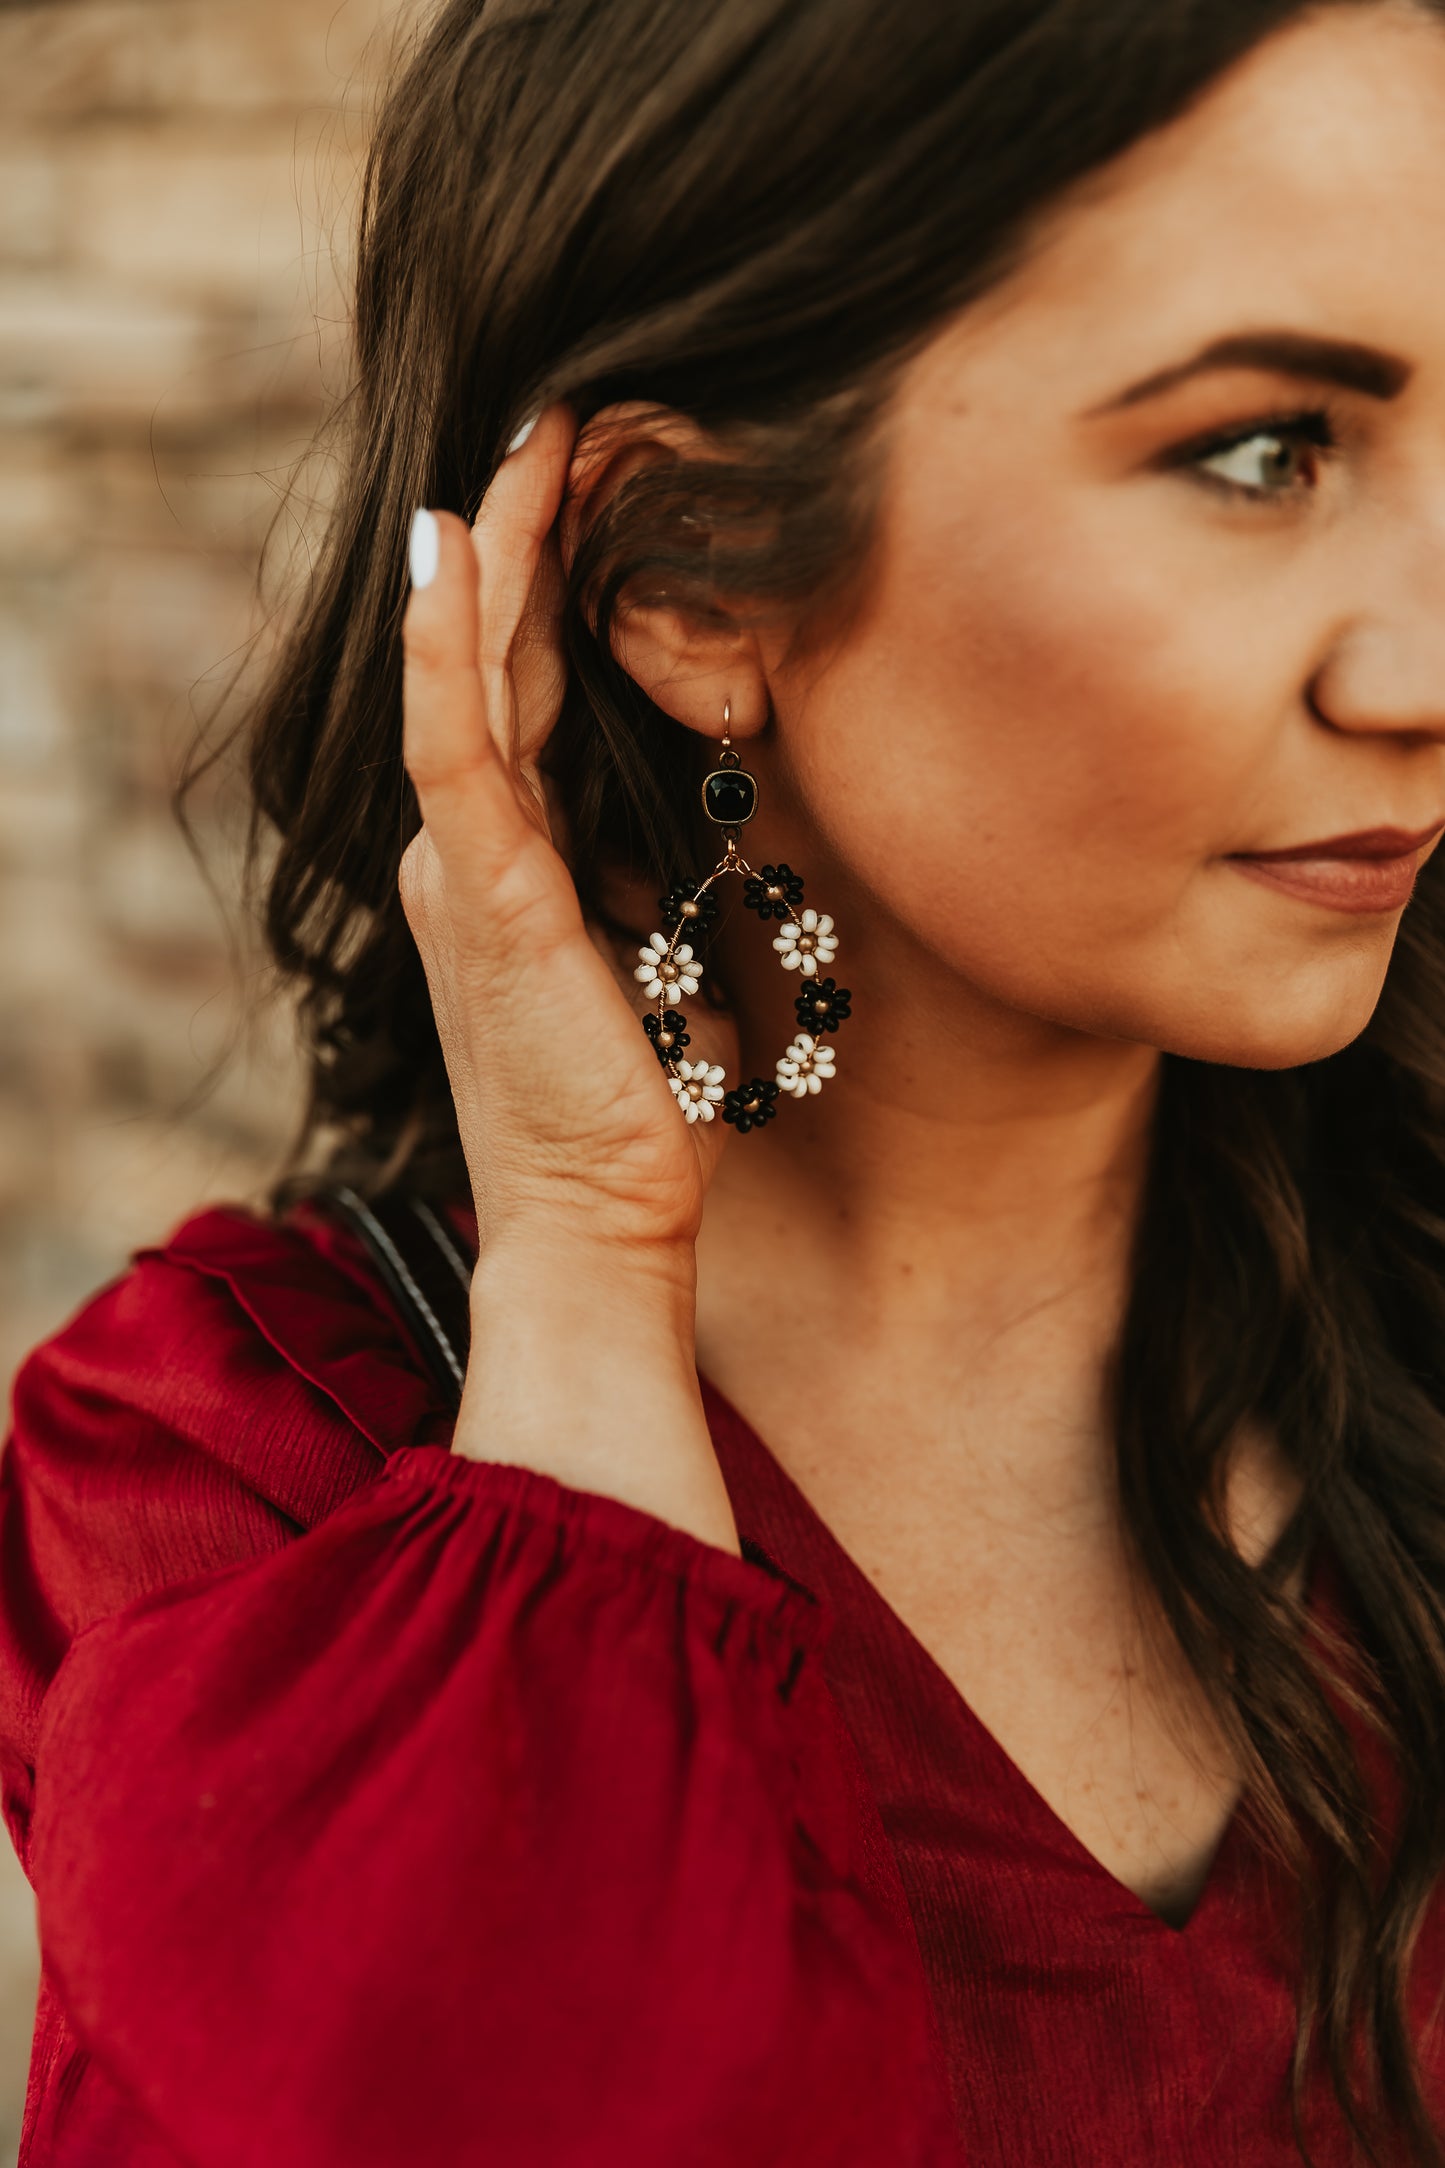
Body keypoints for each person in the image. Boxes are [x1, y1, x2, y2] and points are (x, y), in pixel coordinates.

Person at [5, 0, 1445, 2159]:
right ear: (681, 571)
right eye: (1262, 451)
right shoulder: (240, 1497)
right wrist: (587, 1295)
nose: (1426, 659)